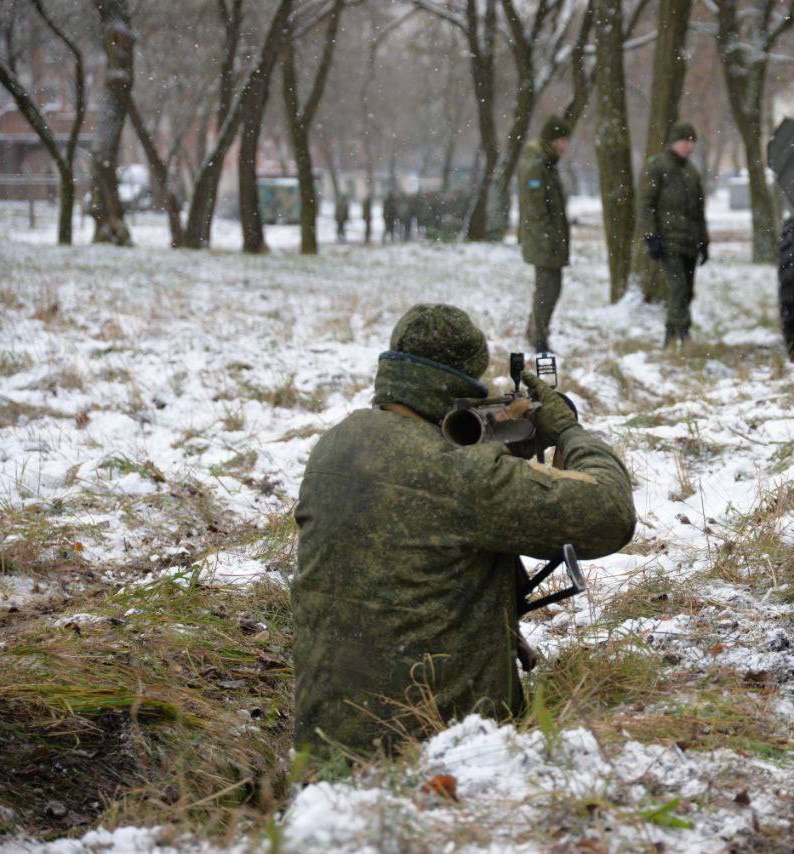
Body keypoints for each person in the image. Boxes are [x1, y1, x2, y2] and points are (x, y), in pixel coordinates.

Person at [292, 304, 636, 757]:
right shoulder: (458, 473)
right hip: (436, 751)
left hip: (324, 742)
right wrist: (569, 432)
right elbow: (610, 513)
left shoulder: (335, 444)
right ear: (464, 380)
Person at [639, 121, 709, 347]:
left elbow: (699, 212)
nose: (689, 146)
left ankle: (672, 334)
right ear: (674, 142)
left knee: (687, 290)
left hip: (689, 241)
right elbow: (645, 204)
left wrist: (704, 241)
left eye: (692, 142)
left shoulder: (692, 172)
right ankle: (681, 336)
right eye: (685, 141)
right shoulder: (657, 167)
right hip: (667, 240)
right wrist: (651, 236)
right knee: (677, 287)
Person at [517, 115, 572, 353]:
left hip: (550, 239)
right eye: (562, 139)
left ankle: (536, 331)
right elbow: (535, 210)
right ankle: (538, 337)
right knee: (547, 289)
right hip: (542, 240)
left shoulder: (547, 164)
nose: (565, 145)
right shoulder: (536, 166)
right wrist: (548, 239)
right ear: (552, 140)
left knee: (552, 287)